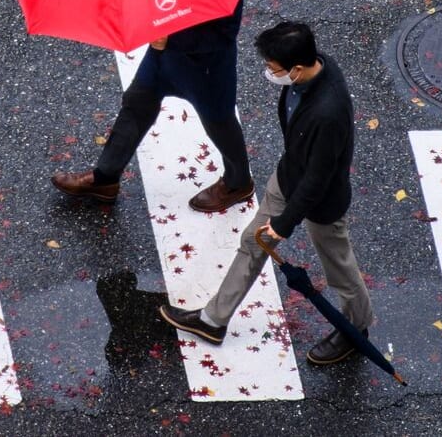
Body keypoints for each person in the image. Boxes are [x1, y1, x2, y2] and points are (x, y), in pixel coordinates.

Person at [158, 21, 374, 366]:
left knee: (339, 270)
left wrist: (283, 225)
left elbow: (318, 180)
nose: (269, 74)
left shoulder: (328, 113)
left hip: (320, 201)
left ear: (298, 69)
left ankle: (357, 329)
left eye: (273, 69)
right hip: (288, 178)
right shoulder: (312, 72)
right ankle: (213, 321)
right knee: (251, 242)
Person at [51, 0, 254, 212]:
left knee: (219, 122)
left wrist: (172, 40)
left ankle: (238, 182)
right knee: (137, 102)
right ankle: (105, 178)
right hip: (163, 57)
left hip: (207, 68)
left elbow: (224, 34)